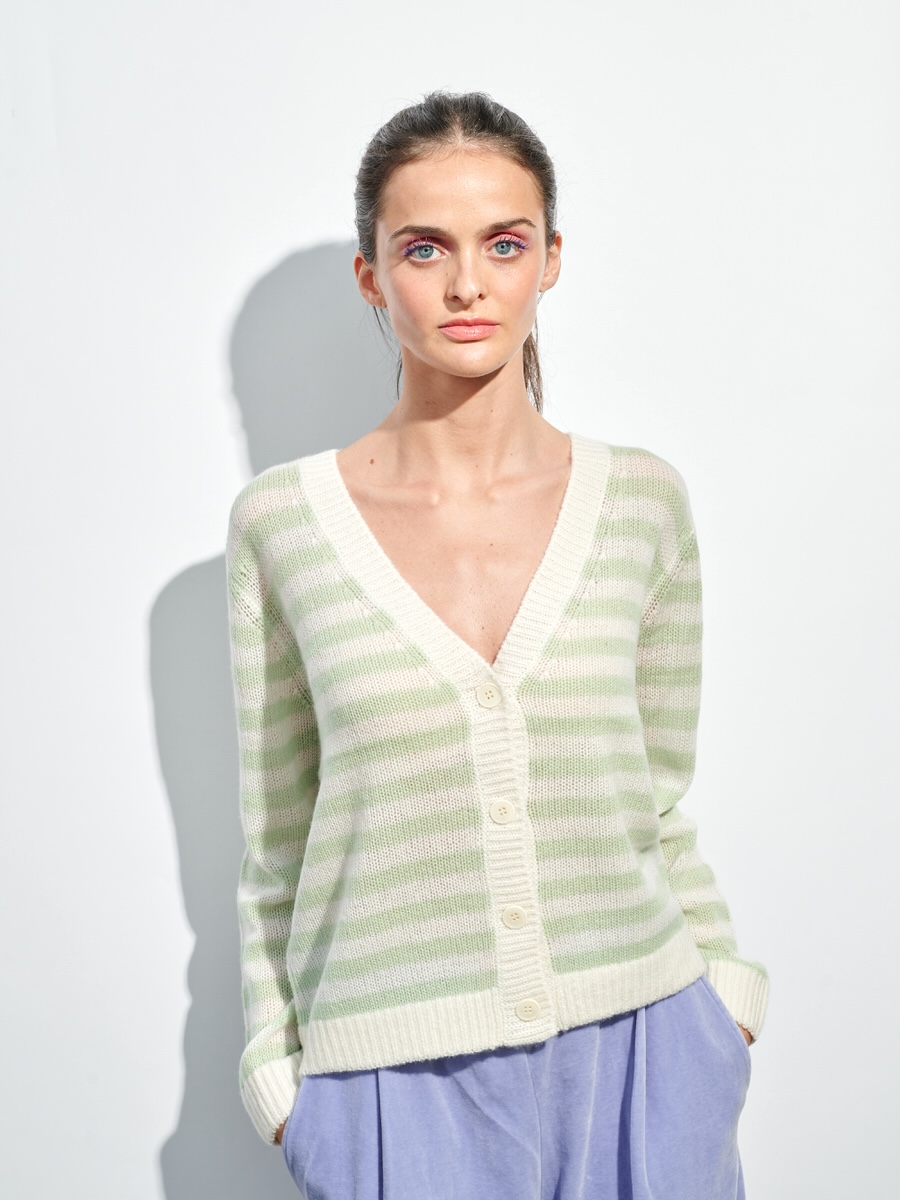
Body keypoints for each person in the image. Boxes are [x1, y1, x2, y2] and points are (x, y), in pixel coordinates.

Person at [225, 91, 768, 1200]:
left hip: (648, 1053)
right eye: (424, 248)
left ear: (550, 259)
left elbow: (657, 796)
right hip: (389, 1083)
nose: (467, 284)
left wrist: (724, 1010)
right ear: (372, 275)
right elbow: (279, 843)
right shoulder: (285, 527)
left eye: (505, 244)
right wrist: (283, 1084)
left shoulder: (642, 505)